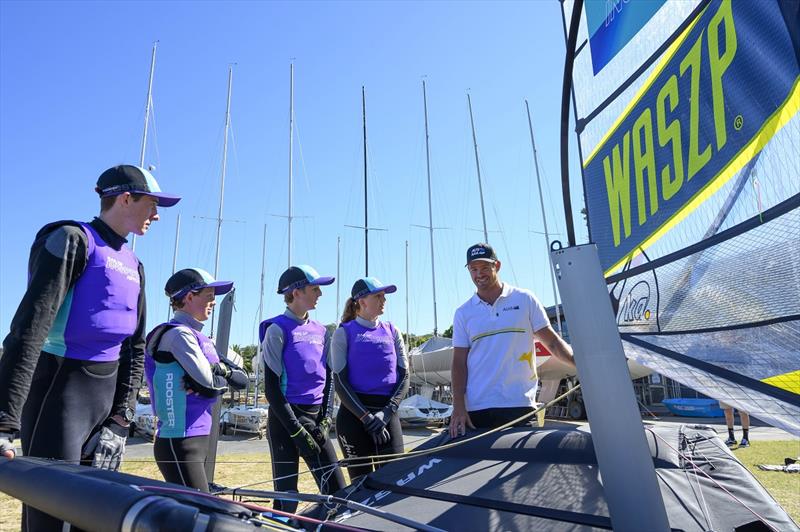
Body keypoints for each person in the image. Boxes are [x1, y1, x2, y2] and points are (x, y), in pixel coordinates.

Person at [0, 164, 180, 530]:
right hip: (59, 394)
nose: (157, 215)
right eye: (152, 204)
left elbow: (135, 346)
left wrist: (122, 418)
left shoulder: (135, 264)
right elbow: (28, 329)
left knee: (95, 514)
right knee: (49, 516)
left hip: (104, 402)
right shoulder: (71, 239)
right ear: (126, 198)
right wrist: (4, 421)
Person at [449, 243, 576, 439]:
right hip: (477, 408)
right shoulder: (463, 313)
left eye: (484, 267)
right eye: (473, 269)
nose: (478, 274)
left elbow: (552, 343)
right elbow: (459, 363)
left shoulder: (525, 299)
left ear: (497, 266)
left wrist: (581, 365)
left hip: (519, 405)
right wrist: (458, 406)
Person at [144, 268, 248, 492]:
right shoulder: (177, 335)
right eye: (209, 296)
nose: (213, 302)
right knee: (199, 514)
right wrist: (219, 378)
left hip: (198, 436)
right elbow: (210, 386)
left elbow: (242, 379)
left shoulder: (201, 338)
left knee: (196, 513)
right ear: (189, 297)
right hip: (179, 439)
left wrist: (220, 374)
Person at [259, 265, 346, 514]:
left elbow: (329, 378)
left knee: (337, 493)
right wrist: (296, 430)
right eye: (315, 288)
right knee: (287, 500)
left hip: (315, 418)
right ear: (296, 292)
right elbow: (271, 389)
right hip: (286, 421)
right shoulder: (277, 329)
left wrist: (326, 418)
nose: (320, 294)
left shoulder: (322, 331)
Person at [331, 277, 409, 481]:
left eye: (384, 296)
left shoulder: (392, 331)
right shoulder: (343, 333)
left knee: (395, 480)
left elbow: (405, 376)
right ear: (362, 301)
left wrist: (386, 413)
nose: (384, 300)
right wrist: (365, 417)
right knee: (360, 487)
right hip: (353, 417)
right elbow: (340, 381)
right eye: (378, 296)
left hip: (387, 413)